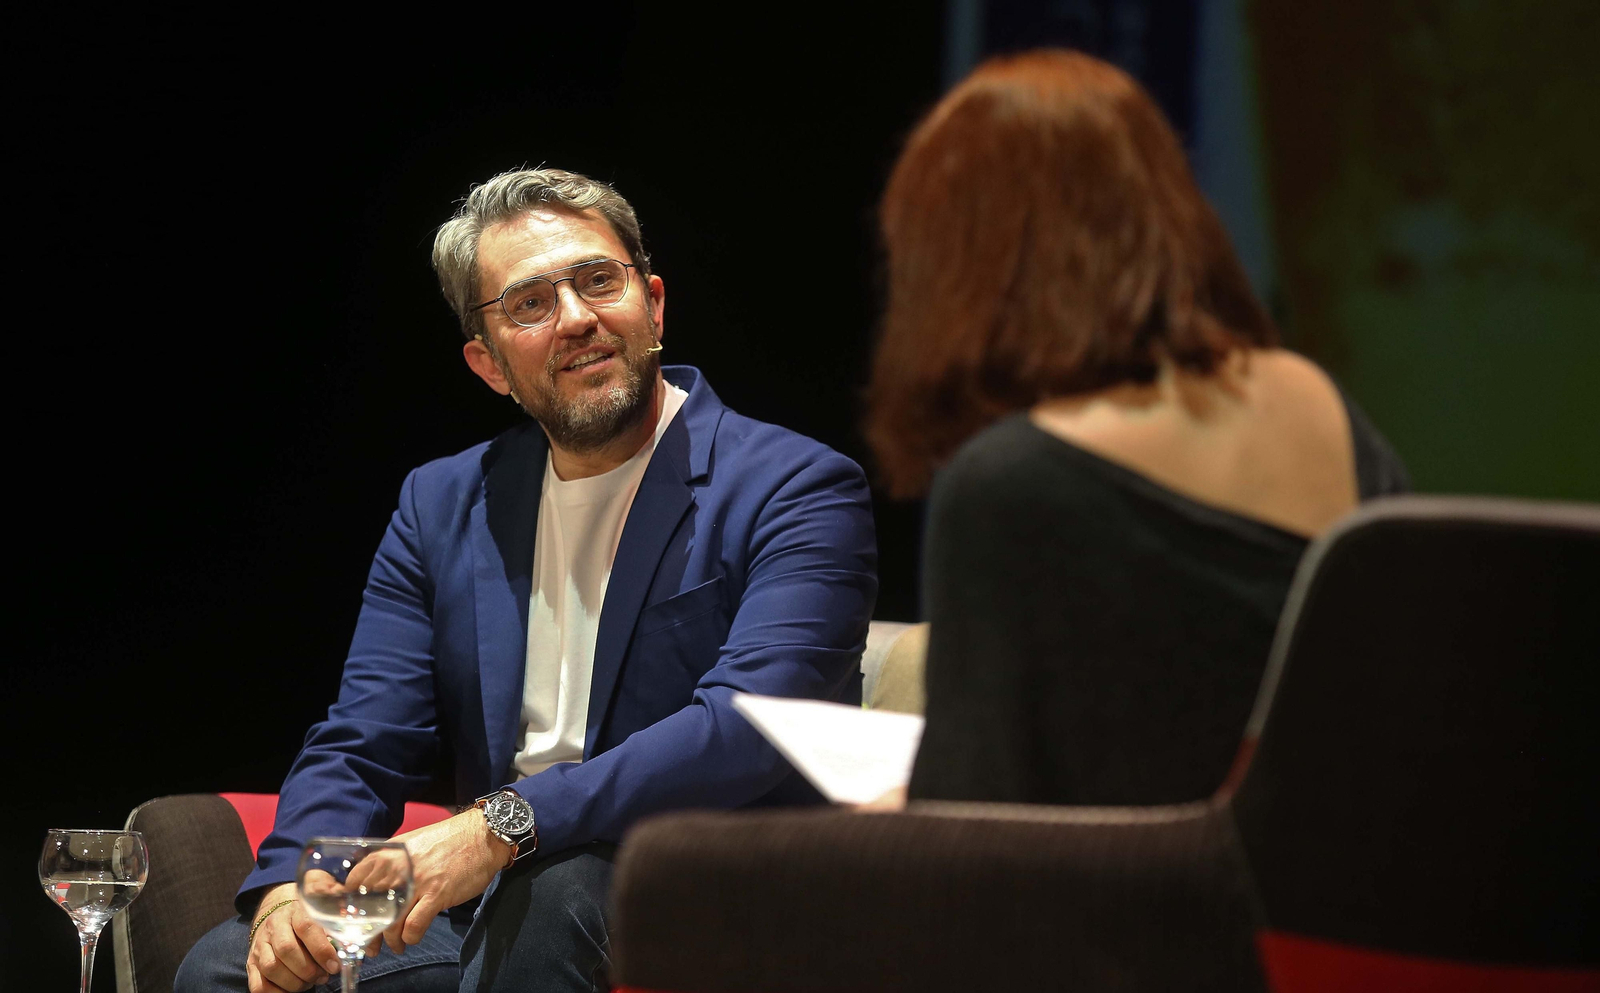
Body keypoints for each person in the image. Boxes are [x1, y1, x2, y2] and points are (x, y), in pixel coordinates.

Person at [177, 168, 878, 993]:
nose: (578, 318)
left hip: (702, 883)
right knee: (225, 966)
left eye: (597, 281)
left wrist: (503, 823)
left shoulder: (796, 486)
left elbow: (748, 726)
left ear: (653, 304)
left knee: (554, 899)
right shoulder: (441, 501)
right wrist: (295, 887)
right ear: (489, 364)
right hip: (499, 897)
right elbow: (365, 737)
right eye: (531, 303)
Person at [863, 50, 1408, 808]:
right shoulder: (1320, 402)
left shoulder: (1010, 484)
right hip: (1349, 907)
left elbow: (980, 831)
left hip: (1143, 915)